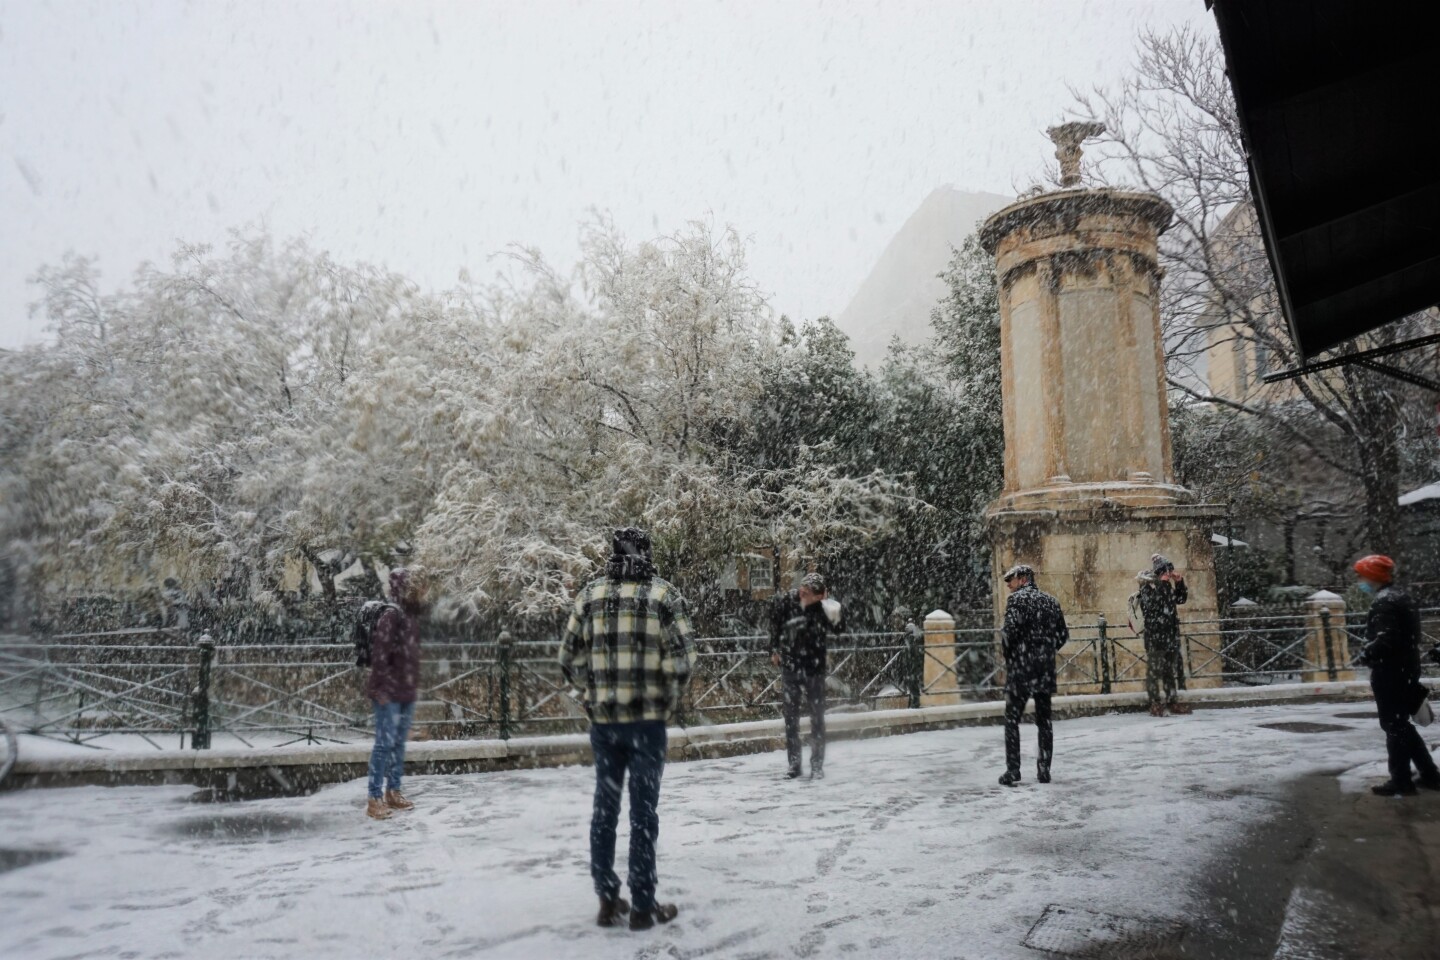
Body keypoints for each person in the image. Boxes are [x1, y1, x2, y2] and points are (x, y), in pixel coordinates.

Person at [560, 527, 696, 930]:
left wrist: (589, 694)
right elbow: (684, 658)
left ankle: (606, 897)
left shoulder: (590, 595)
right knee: (643, 814)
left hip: (604, 723)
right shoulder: (664, 596)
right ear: (647, 554)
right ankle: (642, 905)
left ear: (612, 555)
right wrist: (662, 692)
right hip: (647, 725)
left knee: (605, 810)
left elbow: (569, 658)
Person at [1353, 554, 1439, 796]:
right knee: (1400, 725)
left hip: (1390, 671)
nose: (1359, 580)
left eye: (1361, 574)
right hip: (1405, 667)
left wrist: (1366, 654)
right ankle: (1429, 774)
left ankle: (1401, 780)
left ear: (1372, 575)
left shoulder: (1385, 602)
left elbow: (1386, 640)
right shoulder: (1401, 597)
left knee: (1394, 725)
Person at [998, 563, 1069, 787]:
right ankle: (1044, 770)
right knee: (1044, 721)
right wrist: (1046, 652)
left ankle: (1013, 770)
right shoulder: (1051, 601)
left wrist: (1013, 658)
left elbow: (1008, 634)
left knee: (1011, 719)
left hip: (1021, 669)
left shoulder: (1017, 601)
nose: (1008, 585)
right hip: (1044, 670)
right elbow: (1063, 635)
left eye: (1011, 580)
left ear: (1023, 579)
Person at [769, 571, 843, 780]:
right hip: (790, 665)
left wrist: (834, 611)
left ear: (819, 596)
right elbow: (775, 626)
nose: (802, 593)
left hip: (814, 667)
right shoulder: (787, 602)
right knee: (790, 718)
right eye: (802, 589)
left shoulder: (824, 608)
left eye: (808, 592)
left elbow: (838, 631)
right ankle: (794, 765)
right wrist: (774, 650)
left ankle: (817, 765)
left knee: (817, 718)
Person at [365, 567, 424, 820]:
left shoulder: (410, 616)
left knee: (398, 744)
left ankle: (394, 791)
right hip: (388, 692)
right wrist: (379, 688)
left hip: (405, 691)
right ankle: (374, 797)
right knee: (384, 745)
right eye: (415, 587)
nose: (421, 591)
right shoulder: (391, 615)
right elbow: (380, 655)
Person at [1137, 553, 1189, 717]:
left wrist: (1179, 582)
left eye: (1170, 571)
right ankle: (1155, 703)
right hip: (1155, 638)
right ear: (1159, 573)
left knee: (1168, 671)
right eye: (1167, 571)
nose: (1169, 574)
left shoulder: (1167, 588)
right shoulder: (1148, 587)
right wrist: (1162, 584)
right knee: (1153, 672)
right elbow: (1152, 606)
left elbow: (1181, 599)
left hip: (1170, 637)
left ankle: (1172, 701)